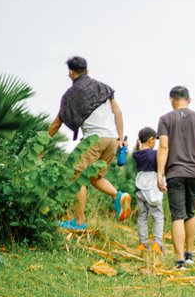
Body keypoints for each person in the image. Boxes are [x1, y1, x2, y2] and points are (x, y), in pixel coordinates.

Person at [46, 56, 131, 231]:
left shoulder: (70, 95)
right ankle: (118, 195)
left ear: (70, 72)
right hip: (112, 140)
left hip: (95, 139)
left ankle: (79, 222)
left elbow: (56, 124)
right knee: (94, 177)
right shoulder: (104, 87)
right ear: (87, 70)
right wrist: (121, 138)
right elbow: (118, 113)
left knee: (76, 175)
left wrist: (42, 144)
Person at [156, 86, 195, 269]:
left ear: (171, 99)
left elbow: (164, 148)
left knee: (177, 216)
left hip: (175, 172)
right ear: (188, 100)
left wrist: (160, 174)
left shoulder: (165, 119)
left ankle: (180, 260)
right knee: (190, 214)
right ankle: (190, 255)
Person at [133, 127, 163, 254]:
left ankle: (142, 243)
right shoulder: (155, 154)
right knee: (158, 216)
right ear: (151, 140)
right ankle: (157, 244)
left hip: (139, 187)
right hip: (152, 188)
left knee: (142, 216)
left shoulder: (136, 154)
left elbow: (139, 150)